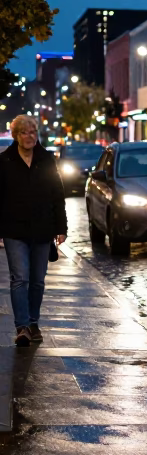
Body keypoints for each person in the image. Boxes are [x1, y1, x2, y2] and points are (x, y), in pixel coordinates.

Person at [0, 115, 67, 346]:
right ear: (15, 135)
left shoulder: (46, 159)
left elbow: (58, 195)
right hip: (13, 229)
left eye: (32, 132)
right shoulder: (5, 160)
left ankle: (33, 321)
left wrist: (61, 227)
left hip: (42, 228)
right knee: (20, 278)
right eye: (24, 133)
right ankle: (22, 327)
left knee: (37, 280)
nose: (29, 137)